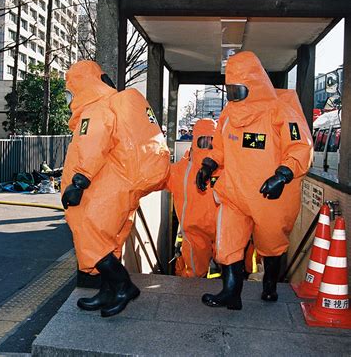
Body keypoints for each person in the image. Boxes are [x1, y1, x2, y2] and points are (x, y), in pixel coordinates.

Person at [196, 51, 313, 310]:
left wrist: (282, 175)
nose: (233, 95)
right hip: (234, 192)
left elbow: (300, 147)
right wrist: (208, 165)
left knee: (271, 245)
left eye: (238, 89)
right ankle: (231, 291)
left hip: (269, 196)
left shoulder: (281, 110)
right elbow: (220, 147)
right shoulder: (228, 114)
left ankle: (270, 285)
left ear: (254, 84)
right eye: (230, 90)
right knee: (228, 242)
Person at [61, 60, 170, 317]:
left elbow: (92, 145)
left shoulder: (95, 109)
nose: (70, 97)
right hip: (117, 185)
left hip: (102, 189)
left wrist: (79, 182)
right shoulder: (107, 105)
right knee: (109, 241)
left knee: (90, 237)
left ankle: (123, 286)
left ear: (81, 85)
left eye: (70, 90)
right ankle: (108, 291)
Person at [164, 118, 218, 278]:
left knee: (229, 265)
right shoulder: (180, 169)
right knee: (194, 272)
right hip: (194, 232)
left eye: (211, 140)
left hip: (222, 229)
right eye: (203, 140)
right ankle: (191, 297)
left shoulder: (225, 166)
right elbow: (156, 179)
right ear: (195, 140)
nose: (207, 144)